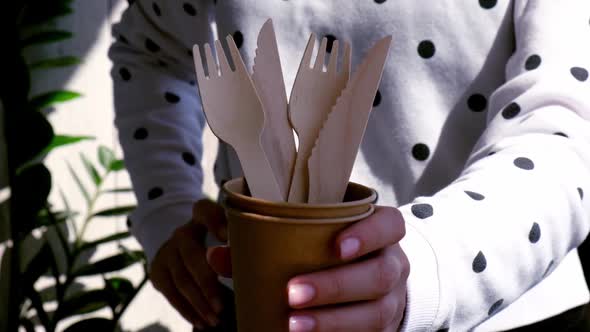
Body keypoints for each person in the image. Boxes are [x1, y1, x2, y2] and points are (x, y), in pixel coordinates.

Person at [108, 1, 590, 331]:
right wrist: (166, 208)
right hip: (257, 305)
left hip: (505, 314)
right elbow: (150, 50)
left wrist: (420, 271)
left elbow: (563, 132)